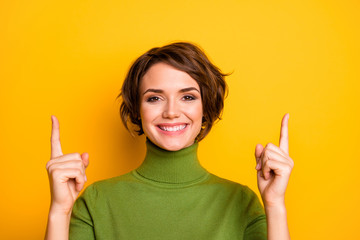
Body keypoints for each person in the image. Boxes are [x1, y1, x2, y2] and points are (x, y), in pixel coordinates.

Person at [45, 42, 294, 240]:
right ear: (137, 110)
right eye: (154, 98)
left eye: (187, 97)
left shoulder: (241, 201)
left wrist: (274, 206)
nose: (171, 112)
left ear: (205, 108)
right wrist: (60, 210)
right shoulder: (97, 201)